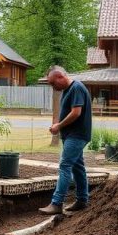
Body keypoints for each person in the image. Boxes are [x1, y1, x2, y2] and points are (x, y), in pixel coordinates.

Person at [39, 66, 92, 215]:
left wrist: (59, 125)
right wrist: (59, 124)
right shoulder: (68, 90)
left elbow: (76, 113)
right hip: (72, 135)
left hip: (77, 135)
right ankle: (82, 200)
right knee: (77, 167)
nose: (52, 86)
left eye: (53, 83)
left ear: (61, 77)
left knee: (65, 165)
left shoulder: (76, 88)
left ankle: (57, 203)